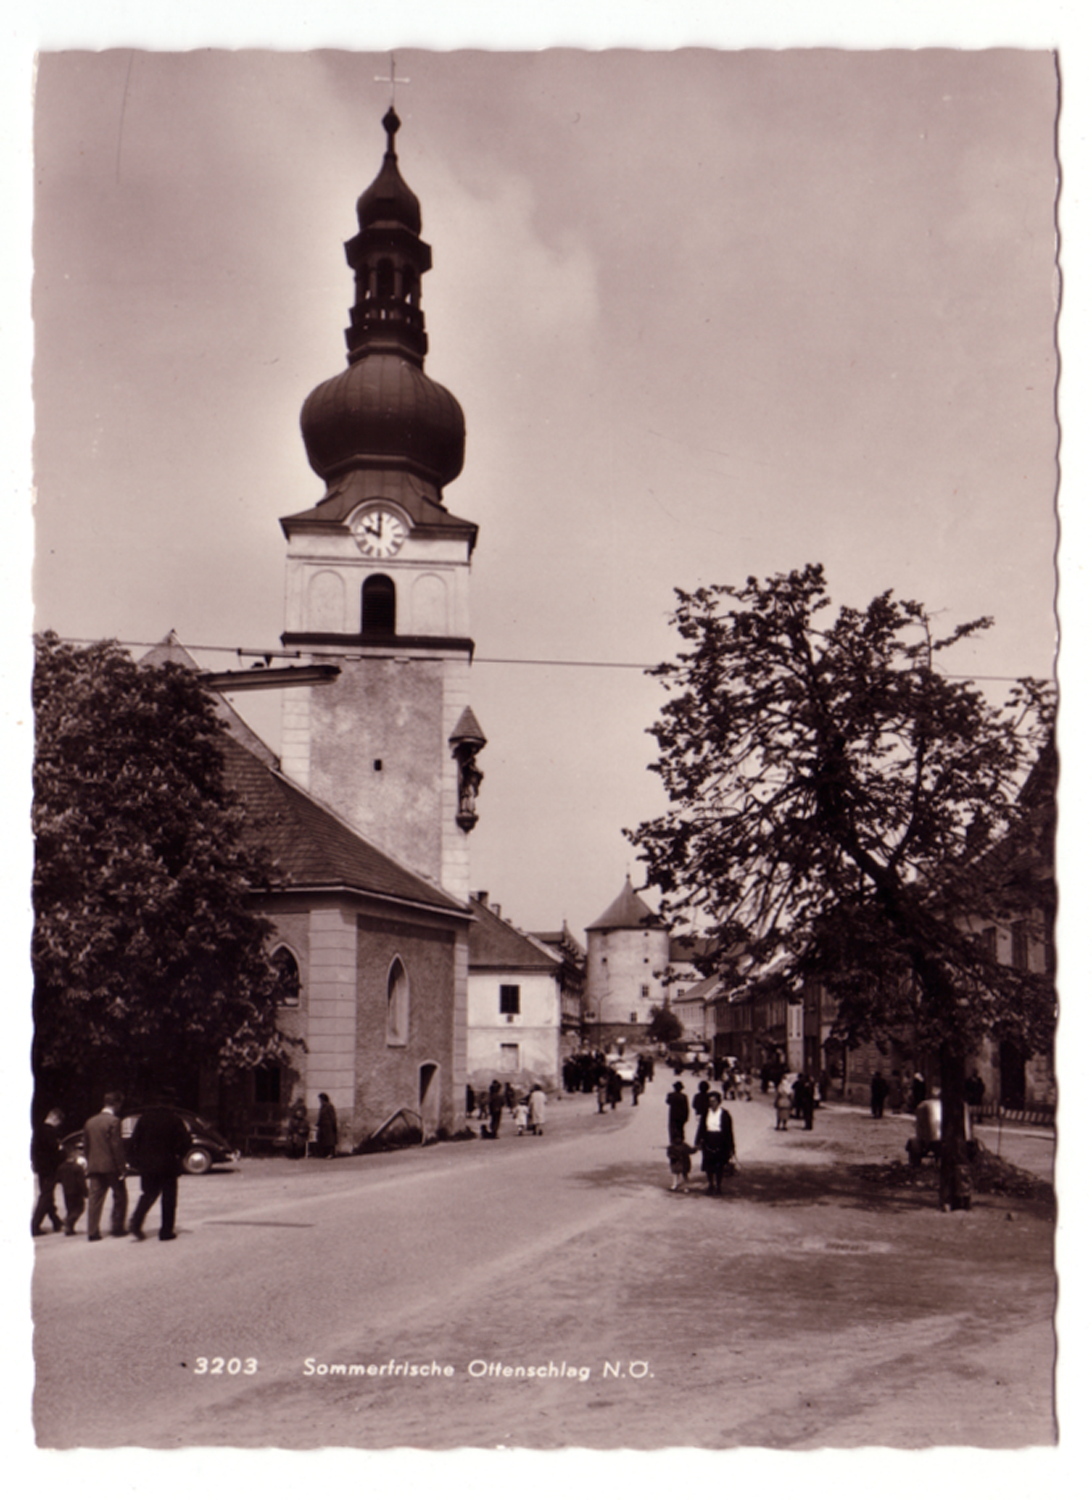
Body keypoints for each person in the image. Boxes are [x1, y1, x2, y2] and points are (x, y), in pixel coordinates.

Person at [127, 1094, 192, 1241]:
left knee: (148, 1193)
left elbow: (134, 1141)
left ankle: (136, 1220)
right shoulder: (174, 1119)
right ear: (170, 1104)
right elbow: (186, 1142)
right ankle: (166, 1231)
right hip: (168, 1164)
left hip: (147, 1164)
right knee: (168, 1198)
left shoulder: (144, 1119)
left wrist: (136, 1161)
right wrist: (179, 1155)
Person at [84, 1091, 128, 1241]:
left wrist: (90, 1162)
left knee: (95, 1199)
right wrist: (122, 1168)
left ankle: (92, 1231)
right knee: (120, 1196)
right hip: (111, 1167)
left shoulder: (90, 1122)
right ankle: (117, 1227)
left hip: (95, 1166)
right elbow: (116, 1146)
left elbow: (86, 1146)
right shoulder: (114, 1121)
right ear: (116, 1104)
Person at [31, 1108, 65, 1236]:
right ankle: (35, 1225)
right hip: (50, 1168)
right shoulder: (50, 1132)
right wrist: (62, 1152)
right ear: (55, 1118)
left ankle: (56, 1221)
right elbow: (55, 1150)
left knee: (47, 1195)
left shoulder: (37, 1130)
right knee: (46, 1196)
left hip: (40, 1167)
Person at [695, 1091, 736, 1194]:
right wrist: (698, 1141)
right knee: (709, 1165)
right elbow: (701, 1128)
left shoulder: (724, 1114)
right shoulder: (706, 1113)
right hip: (708, 1140)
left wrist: (731, 1147)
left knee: (719, 1165)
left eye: (714, 1101)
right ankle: (710, 1185)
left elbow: (729, 1131)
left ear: (719, 1102)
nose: (712, 1104)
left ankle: (718, 1186)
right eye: (710, 1101)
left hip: (720, 1140)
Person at [57, 1152, 87, 1235]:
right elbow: (81, 1182)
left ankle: (70, 1229)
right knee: (79, 1209)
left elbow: (58, 1179)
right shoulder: (77, 1168)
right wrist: (85, 1192)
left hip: (66, 1191)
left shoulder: (61, 1167)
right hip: (77, 1192)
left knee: (70, 1209)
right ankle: (68, 1221)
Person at [666, 1080, 690, 1145]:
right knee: (680, 1128)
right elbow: (686, 1107)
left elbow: (667, 1102)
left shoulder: (671, 1095)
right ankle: (680, 1140)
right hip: (681, 1115)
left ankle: (673, 1140)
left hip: (673, 1114)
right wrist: (686, 1116)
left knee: (673, 1127)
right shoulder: (684, 1096)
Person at [316, 1093, 338, 1157]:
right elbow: (321, 1117)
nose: (320, 1101)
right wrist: (318, 1123)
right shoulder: (322, 1107)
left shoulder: (329, 1106)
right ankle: (325, 1153)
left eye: (321, 1100)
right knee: (324, 1140)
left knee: (330, 1140)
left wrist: (334, 1125)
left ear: (324, 1099)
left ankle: (331, 1154)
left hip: (329, 1126)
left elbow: (332, 1117)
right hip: (323, 1126)